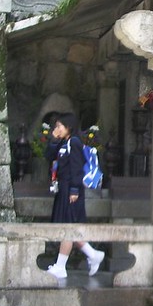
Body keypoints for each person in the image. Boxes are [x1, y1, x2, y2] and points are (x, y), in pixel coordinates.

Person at [46, 112, 105, 280]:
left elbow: (76, 168)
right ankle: (93, 255)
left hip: (71, 190)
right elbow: (50, 156)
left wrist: (74, 190)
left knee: (68, 227)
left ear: (68, 127)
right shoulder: (64, 142)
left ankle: (60, 266)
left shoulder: (75, 142)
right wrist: (54, 140)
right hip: (62, 188)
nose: (57, 129)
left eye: (59, 126)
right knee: (67, 226)